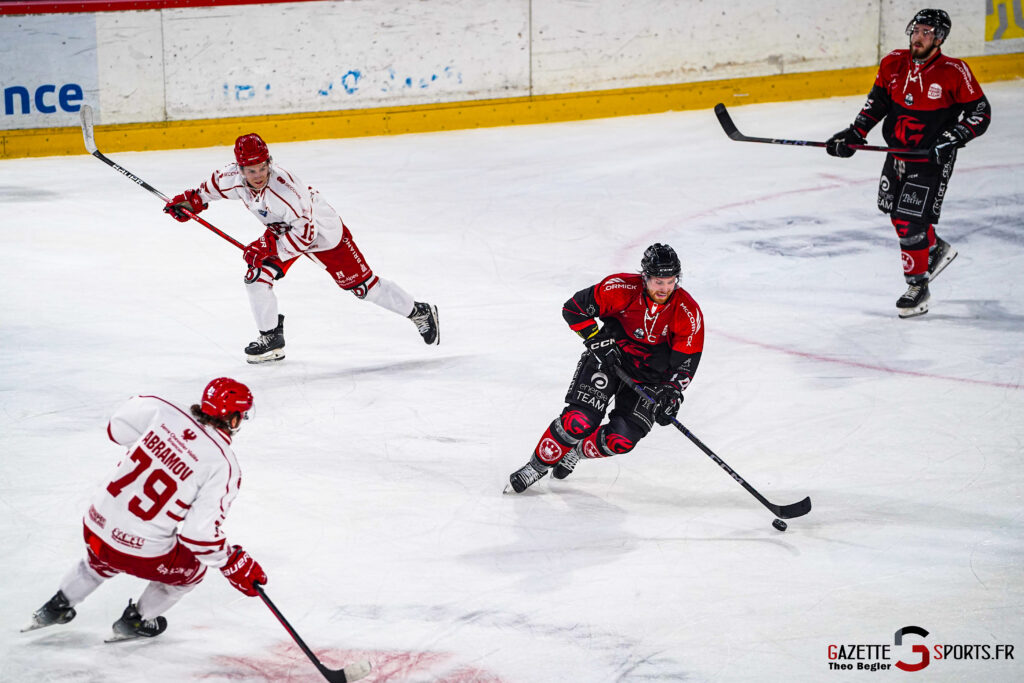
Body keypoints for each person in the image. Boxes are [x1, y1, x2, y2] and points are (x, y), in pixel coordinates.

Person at [23, 378, 268, 642]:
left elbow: (116, 429)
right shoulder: (223, 465)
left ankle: (56, 606)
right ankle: (136, 621)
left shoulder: (162, 409)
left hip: (95, 524)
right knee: (192, 569)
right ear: (233, 420)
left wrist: (154, 448)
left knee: (101, 558)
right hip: (137, 551)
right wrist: (230, 561)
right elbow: (199, 535)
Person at [163, 133, 440, 362]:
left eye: (262, 167)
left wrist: (269, 249)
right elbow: (203, 193)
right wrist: (188, 204)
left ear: (269, 162)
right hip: (283, 231)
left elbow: (306, 235)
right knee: (257, 277)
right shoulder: (230, 177)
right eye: (251, 170)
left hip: (321, 233)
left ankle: (419, 312)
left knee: (362, 287)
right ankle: (271, 338)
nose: (258, 174)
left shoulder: (286, 190)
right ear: (240, 168)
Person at [825, 8, 991, 318]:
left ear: (939, 39)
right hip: (897, 155)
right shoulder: (893, 62)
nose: (918, 37)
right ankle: (935, 249)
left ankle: (918, 288)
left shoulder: (954, 71)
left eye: (926, 33)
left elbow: (981, 114)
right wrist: (855, 133)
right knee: (896, 215)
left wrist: (953, 137)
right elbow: (877, 103)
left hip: (931, 160)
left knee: (909, 221)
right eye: (916, 30)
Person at [506, 244, 705, 493]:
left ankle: (575, 452)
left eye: (670, 281)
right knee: (578, 421)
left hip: (649, 380)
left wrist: (671, 393)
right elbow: (573, 309)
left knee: (620, 440)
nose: (664, 288)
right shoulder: (620, 288)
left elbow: (686, 363)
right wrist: (597, 339)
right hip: (608, 362)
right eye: (658, 281)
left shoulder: (688, 312)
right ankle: (535, 467)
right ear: (645, 277)